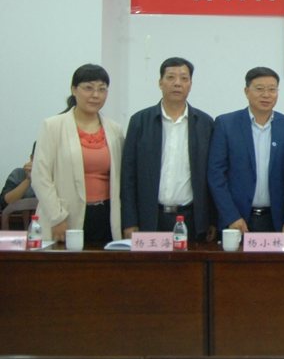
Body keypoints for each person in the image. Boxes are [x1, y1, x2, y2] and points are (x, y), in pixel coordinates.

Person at [121, 57, 216, 241]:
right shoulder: (140, 121)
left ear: (190, 85)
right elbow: (128, 175)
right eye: (171, 77)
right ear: (160, 82)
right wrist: (129, 220)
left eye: (184, 78)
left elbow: (212, 175)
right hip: (150, 217)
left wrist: (212, 219)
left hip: (192, 219)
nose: (177, 83)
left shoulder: (205, 123)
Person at [208, 67, 284, 236]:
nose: (266, 95)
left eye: (272, 89)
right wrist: (231, 216)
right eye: (259, 89)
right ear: (247, 92)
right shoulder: (226, 124)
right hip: (237, 220)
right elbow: (216, 174)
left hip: (278, 220)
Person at [32, 64, 124, 242]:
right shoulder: (53, 126)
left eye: (102, 89)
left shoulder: (115, 130)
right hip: (64, 216)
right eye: (88, 88)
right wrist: (56, 217)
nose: (95, 95)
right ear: (73, 90)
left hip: (105, 215)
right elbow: (40, 176)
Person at [0, 142, 36, 209]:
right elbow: (4, 203)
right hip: (19, 215)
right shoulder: (19, 174)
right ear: (32, 158)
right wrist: (28, 179)